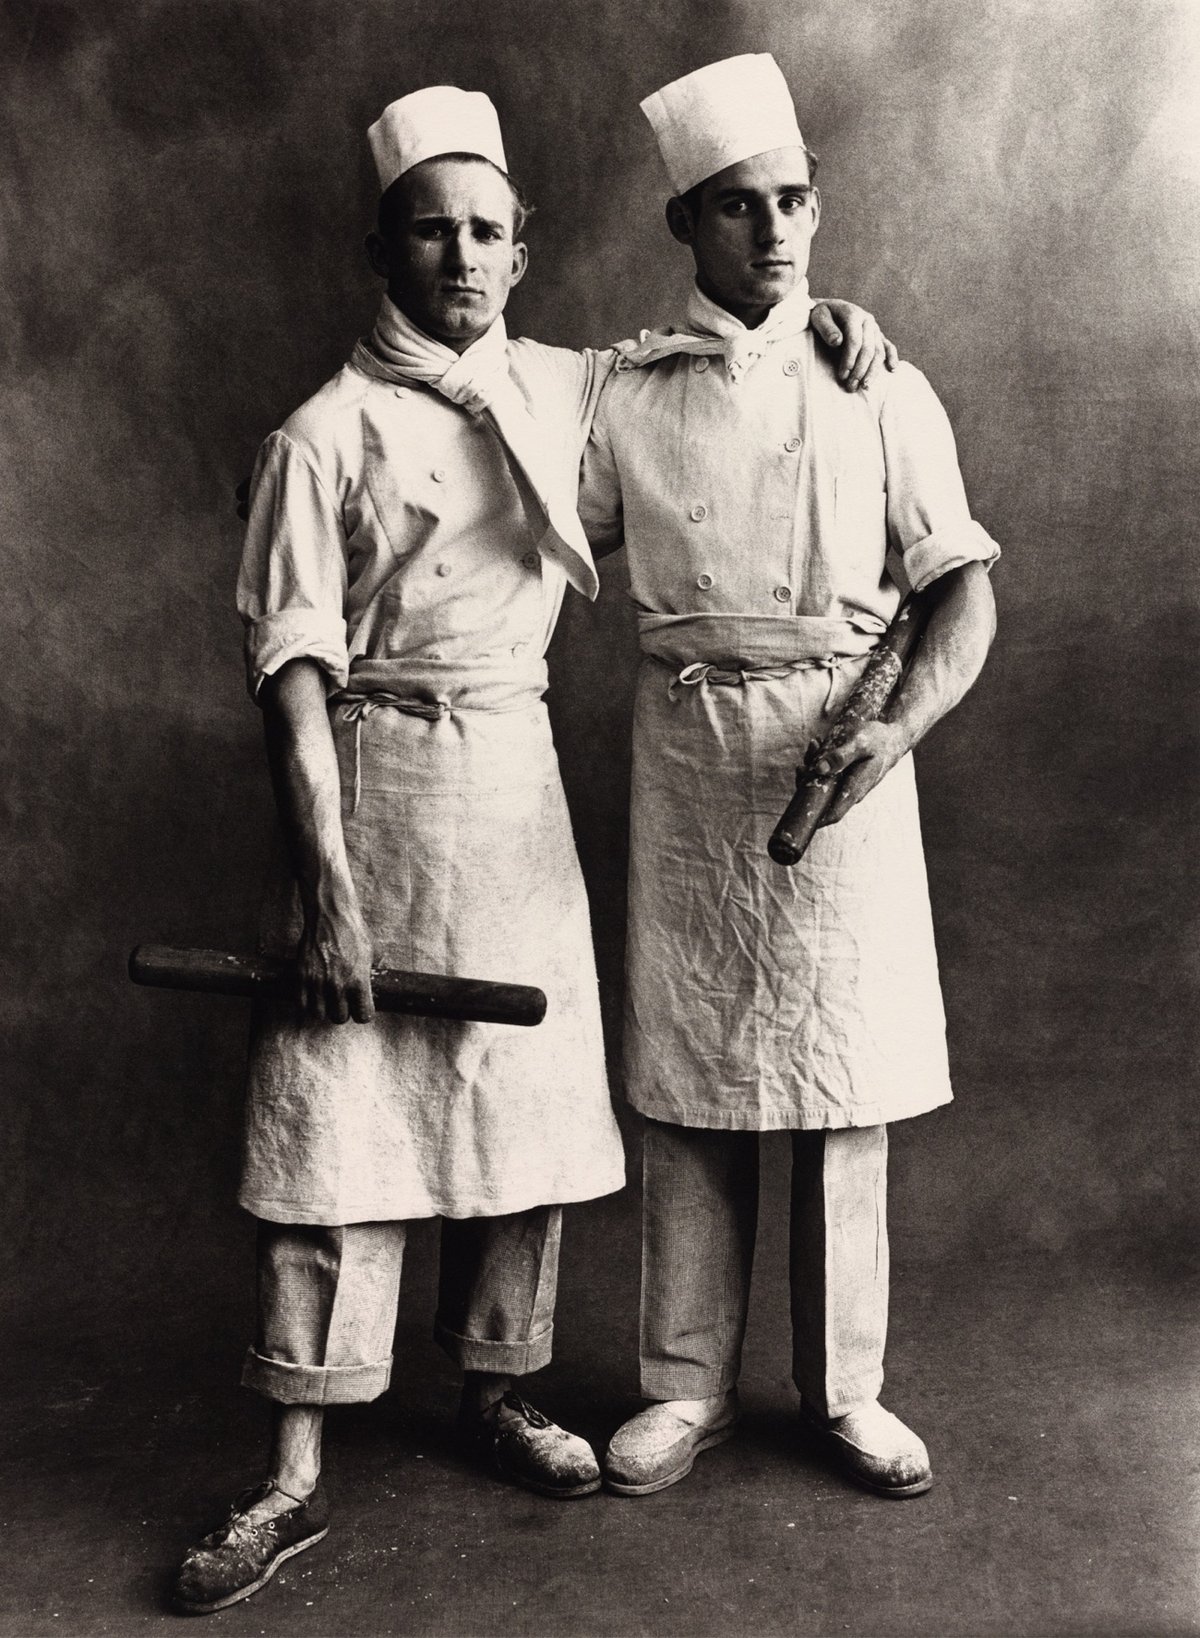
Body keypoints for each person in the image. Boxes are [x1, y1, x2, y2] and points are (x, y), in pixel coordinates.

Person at [172, 84, 890, 1614]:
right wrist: (325, 889)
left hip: (515, 796)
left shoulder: (574, 386)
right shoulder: (322, 435)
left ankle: (493, 1388)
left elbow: (723, 368)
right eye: (432, 232)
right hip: (369, 793)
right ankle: (294, 1464)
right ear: (384, 244)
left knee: (519, 1113)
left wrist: (840, 324)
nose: (463, 259)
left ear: (526, 247)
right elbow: (293, 690)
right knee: (335, 1128)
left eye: (489, 231)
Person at [578, 53, 999, 1502]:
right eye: (740, 207)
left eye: (795, 201)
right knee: (693, 1077)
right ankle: (683, 1384)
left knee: (838, 1077)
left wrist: (898, 731)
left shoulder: (879, 381)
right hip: (689, 754)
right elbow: (519, 539)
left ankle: (847, 1388)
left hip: (842, 755)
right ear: (684, 221)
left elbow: (963, 601)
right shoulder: (624, 396)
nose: (776, 233)